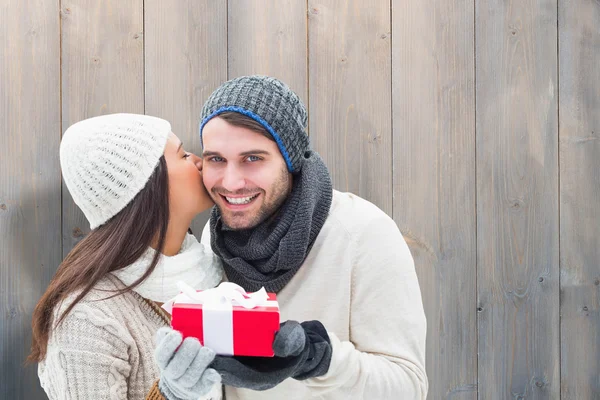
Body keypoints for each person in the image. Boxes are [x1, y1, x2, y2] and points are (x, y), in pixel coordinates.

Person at [196, 76, 429, 400]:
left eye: (253, 158)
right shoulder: (215, 236)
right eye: (216, 159)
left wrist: (321, 360)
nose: (232, 183)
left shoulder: (363, 233)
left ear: (290, 160)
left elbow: (408, 386)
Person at [28, 114, 225, 399]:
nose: (198, 161)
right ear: (148, 188)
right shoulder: (88, 317)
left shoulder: (211, 270)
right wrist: (170, 393)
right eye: (182, 155)